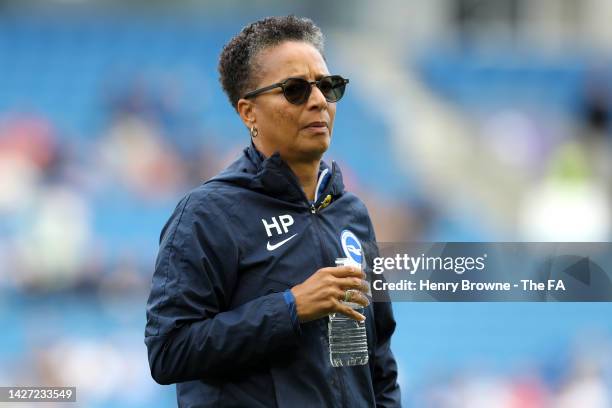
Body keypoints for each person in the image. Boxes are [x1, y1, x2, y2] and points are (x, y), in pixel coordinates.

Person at [145, 15, 401, 407]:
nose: (318, 100)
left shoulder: (351, 213)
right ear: (249, 113)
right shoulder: (207, 214)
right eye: (295, 90)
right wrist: (291, 308)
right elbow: (169, 352)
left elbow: (378, 359)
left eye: (327, 86)